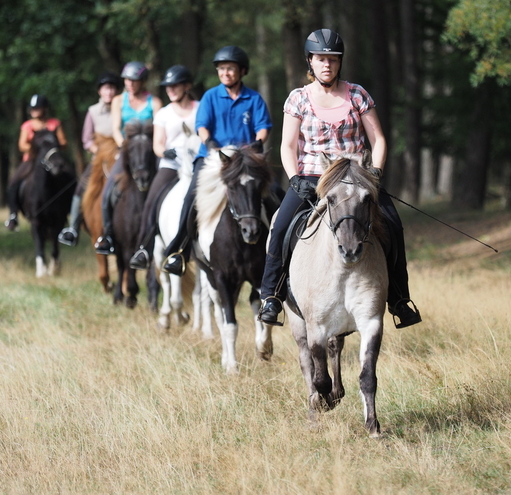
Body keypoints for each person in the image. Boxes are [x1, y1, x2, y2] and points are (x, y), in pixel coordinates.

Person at [257, 28, 421, 329]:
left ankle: (399, 299)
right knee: (280, 227)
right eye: (321, 59)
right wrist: (295, 179)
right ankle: (272, 296)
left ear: (340, 62)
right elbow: (287, 145)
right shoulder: (298, 99)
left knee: (394, 226)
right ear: (310, 62)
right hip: (311, 178)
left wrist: (375, 173)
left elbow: (379, 140)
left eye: (333, 59)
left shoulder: (358, 95)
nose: (327, 64)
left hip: (355, 178)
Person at [160, 45, 272, 276]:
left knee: (274, 195)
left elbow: (263, 128)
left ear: (242, 71)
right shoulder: (210, 96)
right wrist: (209, 143)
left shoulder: (254, 98)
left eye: (230, 69)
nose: (225, 73)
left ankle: (279, 251)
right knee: (190, 197)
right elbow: (201, 126)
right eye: (221, 69)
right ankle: (178, 251)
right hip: (213, 159)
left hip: (244, 161)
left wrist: (258, 143)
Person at [129, 65, 200, 270]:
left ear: (186, 86)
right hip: (172, 163)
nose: (170, 89)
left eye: (174, 85)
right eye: (167, 86)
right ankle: (143, 248)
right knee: (152, 200)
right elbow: (158, 144)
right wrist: (165, 152)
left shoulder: (200, 107)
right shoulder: (163, 113)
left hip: (197, 162)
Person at [94, 61, 162, 255]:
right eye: (127, 80)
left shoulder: (154, 102)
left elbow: (159, 128)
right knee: (107, 193)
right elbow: (116, 128)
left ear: (142, 82)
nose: (129, 84)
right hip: (127, 152)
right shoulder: (118, 101)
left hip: (150, 153)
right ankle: (107, 235)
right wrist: (124, 146)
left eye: (134, 80)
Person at [58, 72, 121, 246]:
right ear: (100, 91)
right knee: (81, 187)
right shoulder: (93, 111)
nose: (109, 92)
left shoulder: (123, 109)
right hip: (100, 158)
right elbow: (87, 140)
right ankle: (73, 228)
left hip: (120, 155)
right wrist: (99, 151)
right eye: (106, 88)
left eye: (112, 88)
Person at [5, 94, 68, 231]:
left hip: (51, 160)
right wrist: (36, 149)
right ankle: (13, 215)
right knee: (14, 182)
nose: (34, 111)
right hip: (32, 161)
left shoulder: (54, 124)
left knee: (69, 178)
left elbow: (63, 142)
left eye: (37, 108)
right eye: (33, 108)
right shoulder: (27, 126)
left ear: (45, 109)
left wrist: (52, 146)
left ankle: (68, 212)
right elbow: (22, 145)